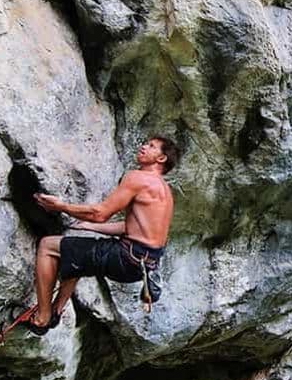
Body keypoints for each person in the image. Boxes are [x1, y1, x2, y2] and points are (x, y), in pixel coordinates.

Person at [23, 136, 180, 334]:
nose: (143, 146)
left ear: (161, 158)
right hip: (141, 265)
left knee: (48, 246)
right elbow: (130, 227)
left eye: (151, 146)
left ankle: (42, 318)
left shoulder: (138, 178)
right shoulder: (164, 191)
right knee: (79, 251)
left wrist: (61, 206)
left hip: (125, 257)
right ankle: (57, 309)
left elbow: (100, 213)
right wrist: (90, 227)